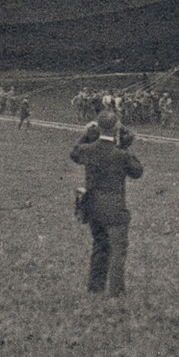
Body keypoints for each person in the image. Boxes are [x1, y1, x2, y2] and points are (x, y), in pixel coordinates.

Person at [70, 111, 142, 296]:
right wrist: (125, 146)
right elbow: (137, 171)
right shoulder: (120, 155)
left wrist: (86, 135)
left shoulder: (88, 150)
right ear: (117, 128)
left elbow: (75, 153)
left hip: (92, 206)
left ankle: (95, 288)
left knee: (100, 245)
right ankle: (116, 292)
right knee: (118, 250)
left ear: (98, 127)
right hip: (115, 208)